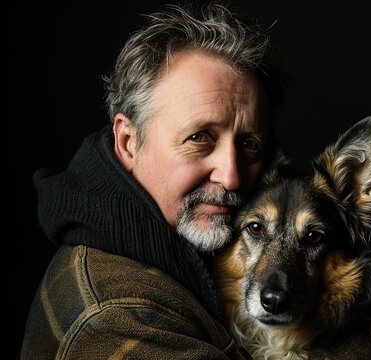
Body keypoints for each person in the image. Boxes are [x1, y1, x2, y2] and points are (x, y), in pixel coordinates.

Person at [21, 2, 282, 359]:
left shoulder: (187, 247)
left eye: (249, 144)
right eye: (199, 138)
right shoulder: (115, 321)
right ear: (128, 143)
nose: (232, 176)